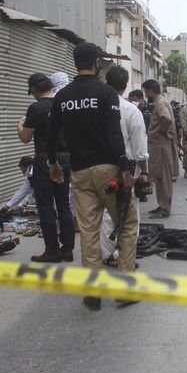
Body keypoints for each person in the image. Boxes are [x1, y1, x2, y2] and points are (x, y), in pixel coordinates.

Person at [46, 42, 135, 311]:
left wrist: (52, 163)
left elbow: (51, 134)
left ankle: (93, 292)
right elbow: (114, 133)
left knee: (88, 231)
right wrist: (125, 168)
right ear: (97, 62)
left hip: (80, 173)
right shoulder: (106, 92)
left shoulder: (63, 97)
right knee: (126, 224)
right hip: (108, 172)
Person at [18, 72, 75, 262]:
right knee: (64, 204)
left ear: (35, 89)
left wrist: (20, 125)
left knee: (45, 206)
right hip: (66, 159)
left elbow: (25, 138)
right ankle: (68, 249)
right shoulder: (65, 104)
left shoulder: (35, 108)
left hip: (44, 161)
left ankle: (52, 250)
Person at [101, 65, 147, 262]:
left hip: (97, 166)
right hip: (125, 169)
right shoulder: (131, 110)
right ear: (125, 85)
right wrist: (144, 173)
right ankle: (124, 257)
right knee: (128, 214)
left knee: (104, 212)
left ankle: (105, 253)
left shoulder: (97, 107)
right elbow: (139, 148)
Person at [142, 79, 178, 218]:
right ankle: (162, 205)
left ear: (151, 90)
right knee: (159, 178)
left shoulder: (160, 103)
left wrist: (163, 131)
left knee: (163, 179)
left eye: (146, 91)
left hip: (161, 146)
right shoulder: (160, 101)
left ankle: (164, 209)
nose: (146, 94)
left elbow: (166, 119)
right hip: (159, 145)